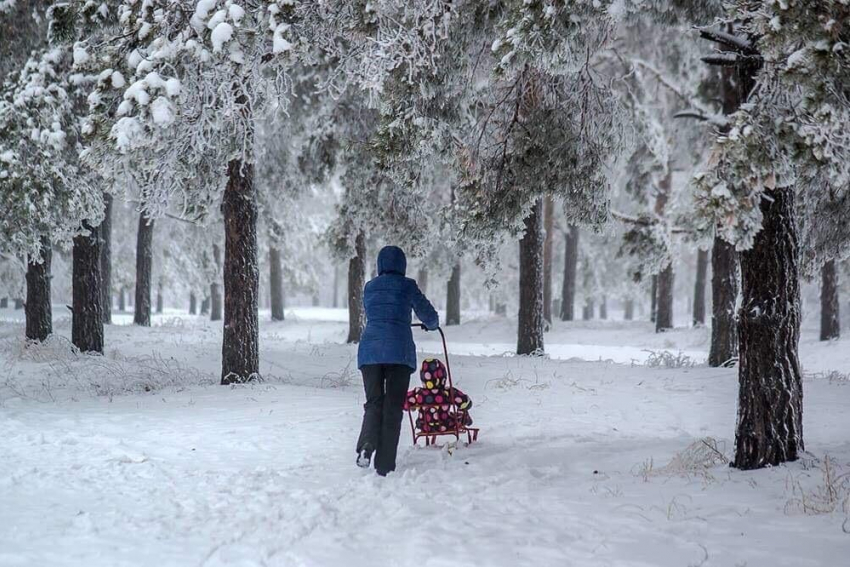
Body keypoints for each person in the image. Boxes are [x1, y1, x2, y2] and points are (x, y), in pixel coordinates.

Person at [356, 245, 439, 476]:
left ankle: (366, 445)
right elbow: (430, 317)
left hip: (370, 352)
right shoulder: (407, 285)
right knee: (392, 408)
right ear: (402, 265)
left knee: (374, 403)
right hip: (398, 353)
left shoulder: (370, 287)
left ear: (380, 265)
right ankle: (384, 466)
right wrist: (431, 325)